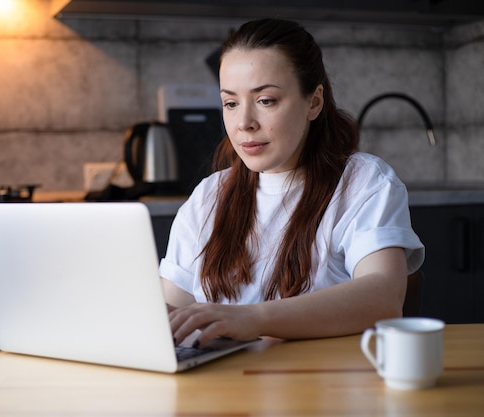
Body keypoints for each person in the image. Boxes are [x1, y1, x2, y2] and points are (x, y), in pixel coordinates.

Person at [159, 18, 424, 348]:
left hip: (320, 387)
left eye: (266, 100)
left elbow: (383, 298)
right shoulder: (208, 197)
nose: (244, 123)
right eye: (230, 103)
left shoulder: (363, 182)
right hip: (222, 389)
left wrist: (253, 318)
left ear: (314, 102)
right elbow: (172, 313)